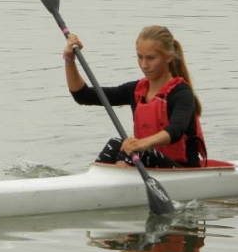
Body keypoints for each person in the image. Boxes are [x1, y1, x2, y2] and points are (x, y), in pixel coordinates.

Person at [63, 25, 206, 168]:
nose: (144, 65)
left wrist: (142, 143)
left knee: (133, 149)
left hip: (181, 168)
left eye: (150, 58)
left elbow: (175, 130)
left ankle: (120, 174)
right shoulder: (136, 90)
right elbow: (83, 96)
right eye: (140, 57)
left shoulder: (182, 93)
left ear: (168, 57)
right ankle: (101, 177)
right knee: (115, 144)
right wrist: (69, 59)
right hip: (149, 162)